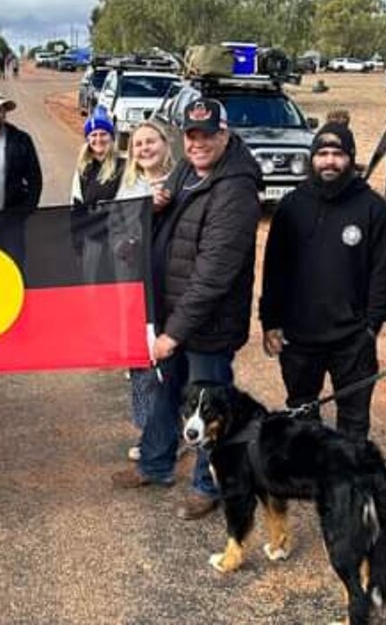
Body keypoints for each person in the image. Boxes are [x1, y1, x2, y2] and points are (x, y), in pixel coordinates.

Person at [111, 98, 262, 522]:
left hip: (207, 324)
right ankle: (155, 464)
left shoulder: (235, 190)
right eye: (191, 134)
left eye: (208, 134)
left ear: (225, 135)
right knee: (167, 392)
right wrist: (156, 211)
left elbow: (213, 275)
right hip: (174, 313)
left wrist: (172, 334)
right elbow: (168, 232)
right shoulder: (186, 172)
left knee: (209, 407)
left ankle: (207, 483)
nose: (198, 142)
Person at [259, 122, 386, 442]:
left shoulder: (372, 207)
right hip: (298, 336)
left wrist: (371, 325)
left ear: (351, 158)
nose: (329, 161)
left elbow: (384, 271)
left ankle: (350, 484)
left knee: (353, 419)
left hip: (352, 338)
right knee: (302, 414)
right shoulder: (292, 205)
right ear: (312, 159)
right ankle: (312, 478)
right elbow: (274, 269)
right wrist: (270, 321)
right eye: (322, 154)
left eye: (338, 154)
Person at [114, 120, 174, 463]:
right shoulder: (127, 189)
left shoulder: (183, 180)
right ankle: (149, 432)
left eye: (151, 141)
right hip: (138, 288)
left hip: (175, 287)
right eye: (138, 144)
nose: (145, 148)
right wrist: (143, 214)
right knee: (142, 362)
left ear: (166, 144)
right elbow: (117, 241)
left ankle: (179, 429)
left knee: (175, 362)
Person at [70, 108, 121, 205]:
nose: (98, 139)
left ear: (112, 137)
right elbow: (75, 202)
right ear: (88, 140)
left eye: (103, 134)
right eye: (93, 135)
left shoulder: (123, 167)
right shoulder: (83, 169)